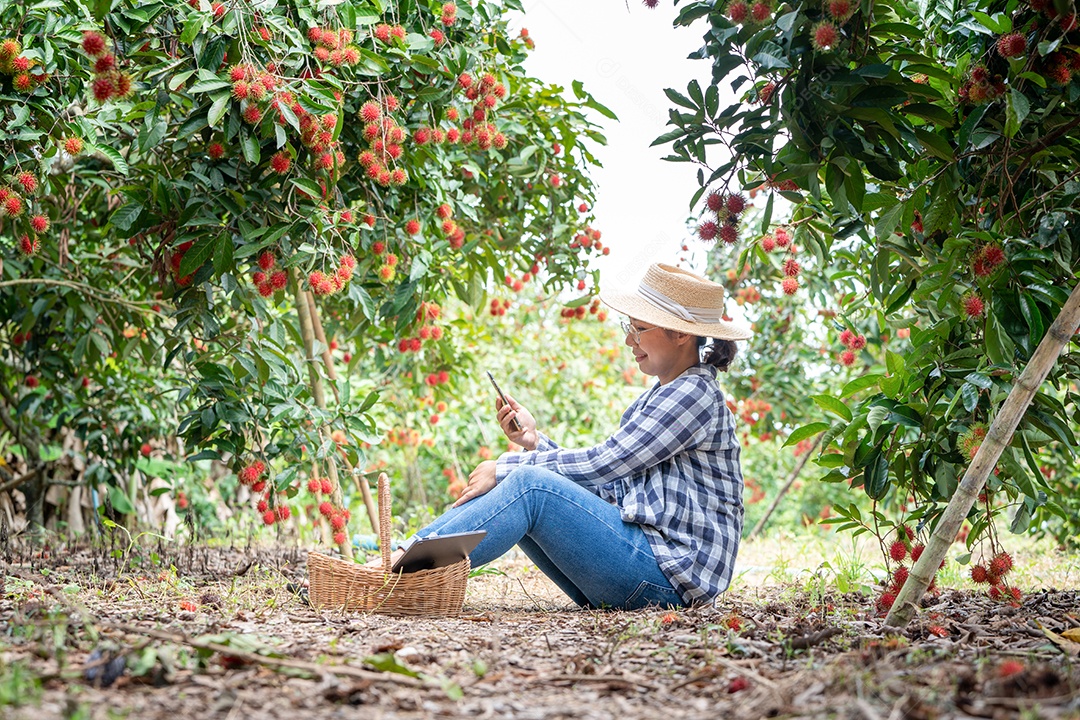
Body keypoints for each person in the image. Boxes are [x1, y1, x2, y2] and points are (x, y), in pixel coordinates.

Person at [404, 263, 752, 609]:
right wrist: (535, 442)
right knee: (526, 483)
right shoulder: (661, 395)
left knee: (526, 484)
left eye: (640, 328)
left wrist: (505, 467)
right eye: (629, 327)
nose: (630, 339)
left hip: (666, 581)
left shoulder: (693, 394)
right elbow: (612, 488)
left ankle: (403, 568)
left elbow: (605, 463)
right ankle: (405, 559)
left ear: (681, 334)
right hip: (648, 571)